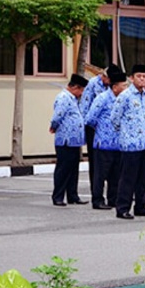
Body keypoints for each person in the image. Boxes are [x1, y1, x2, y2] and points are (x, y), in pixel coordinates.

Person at [111, 64, 145, 219]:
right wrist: (125, 133)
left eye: (144, 76)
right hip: (130, 144)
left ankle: (140, 206)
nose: (142, 79)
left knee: (143, 178)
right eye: (139, 76)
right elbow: (114, 118)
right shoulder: (125, 96)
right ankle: (122, 207)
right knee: (128, 178)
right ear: (131, 78)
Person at [84, 70, 128, 209]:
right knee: (100, 174)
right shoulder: (102, 98)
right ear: (115, 87)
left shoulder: (123, 100)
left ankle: (113, 199)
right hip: (103, 143)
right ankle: (97, 200)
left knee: (115, 175)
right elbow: (90, 118)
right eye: (124, 85)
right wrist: (102, 129)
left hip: (118, 143)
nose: (126, 88)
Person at [50, 74, 88, 206]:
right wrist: (53, 127)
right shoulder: (63, 98)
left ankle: (73, 195)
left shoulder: (73, 99)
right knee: (63, 168)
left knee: (73, 169)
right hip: (65, 139)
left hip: (74, 140)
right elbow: (57, 116)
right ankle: (58, 196)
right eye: (81, 90)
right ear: (75, 88)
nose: (82, 93)